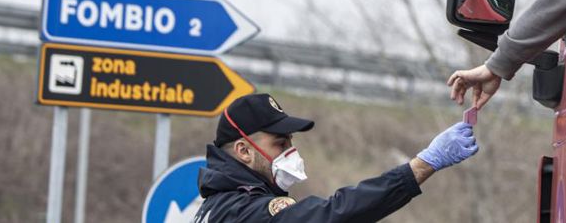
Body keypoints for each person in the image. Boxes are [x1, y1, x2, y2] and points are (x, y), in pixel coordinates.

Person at [195, 93, 478, 222]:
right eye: (280, 144)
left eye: (292, 142)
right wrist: (423, 164)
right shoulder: (242, 211)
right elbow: (333, 214)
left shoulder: (219, 205)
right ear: (244, 151)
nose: (291, 152)